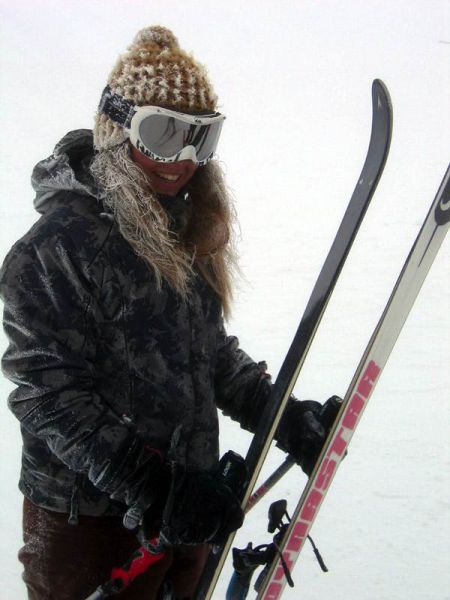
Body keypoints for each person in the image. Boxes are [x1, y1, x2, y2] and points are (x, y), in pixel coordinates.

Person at [0, 26, 341, 600]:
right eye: (162, 132)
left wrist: (281, 417)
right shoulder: (57, 245)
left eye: (200, 139)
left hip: (187, 513)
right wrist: (154, 486)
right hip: (90, 525)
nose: (181, 159)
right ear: (116, 127)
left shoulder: (180, 228)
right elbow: (47, 396)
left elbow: (209, 354)